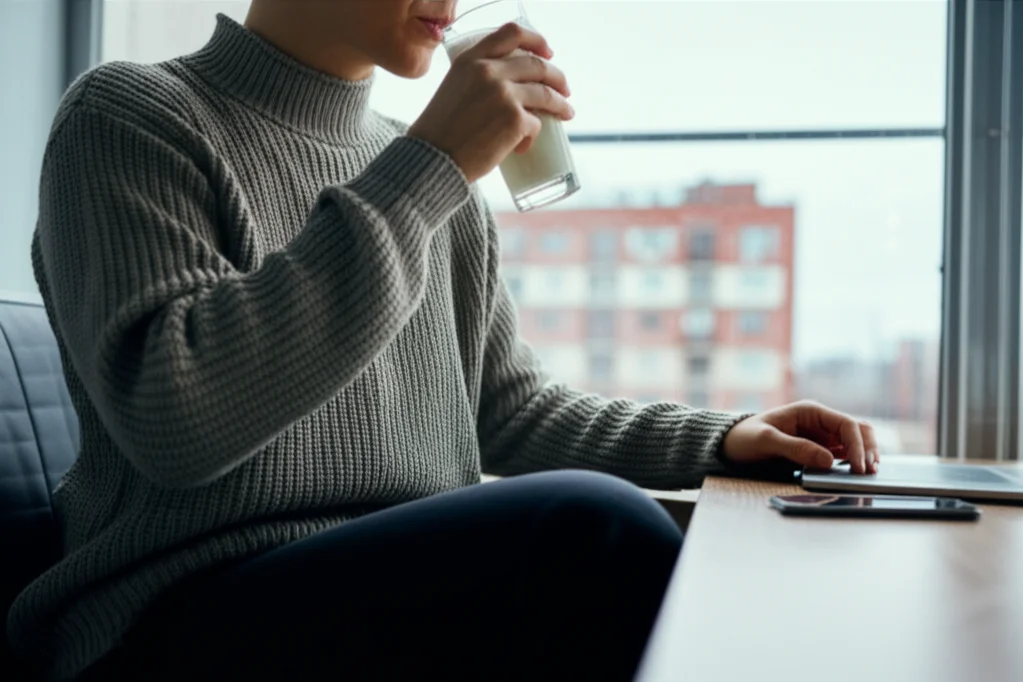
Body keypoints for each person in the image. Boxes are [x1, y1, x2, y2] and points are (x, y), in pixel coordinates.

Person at [8, 1, 879, 680]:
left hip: (396, 593)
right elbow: (179, 417)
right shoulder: (133, 115)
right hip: (171, 622)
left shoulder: (419, 166)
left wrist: (723, 439)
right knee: (593, 534)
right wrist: (430, 168)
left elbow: (507, 406)